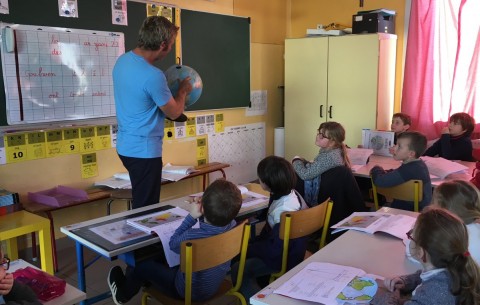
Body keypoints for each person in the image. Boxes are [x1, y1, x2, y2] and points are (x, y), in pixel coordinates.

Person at [107, 179, 242, 304]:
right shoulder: (232, 225)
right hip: (214, 285)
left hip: (186, 291)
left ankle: (123, 295)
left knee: (141, 265)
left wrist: (192, 217)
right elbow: (213, 223)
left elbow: (173, 244)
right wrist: (204, 212)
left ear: (203, 208)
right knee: (159, 260)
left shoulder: (192, 236)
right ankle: (146, 281)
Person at [113, 16, 193, 209]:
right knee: (146, 210)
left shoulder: (122, 61)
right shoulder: (153, 76)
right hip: (144, 152)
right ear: (163, 44)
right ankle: (145, 238)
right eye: (171, 45)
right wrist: (182, 91)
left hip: (125, 146)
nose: (171, 49)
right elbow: (174, 113)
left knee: (142, 202)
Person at [232, 156, 307, 300]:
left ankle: (257, 301)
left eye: (260, 179)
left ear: (267, 184)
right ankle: (263, 285)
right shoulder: (291, 194)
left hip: (284, 256)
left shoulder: (283, 213)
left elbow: (273, 250)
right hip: (292, 248)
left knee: (239, 268)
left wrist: (247, 248)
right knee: (247, 249)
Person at [372, 208, 480, 305]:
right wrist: (406, 281)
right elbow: (427, 276)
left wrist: (381, 293)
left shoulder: (434, 294)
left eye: (412, 235)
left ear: (421, 252)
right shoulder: (454, 265)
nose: (409, 238)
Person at [370, 131, 432, 211]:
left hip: (406, 212)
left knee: (371, 209)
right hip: (414, 211)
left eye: (399, 147)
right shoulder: (418, 165)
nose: (394, 148)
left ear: (411, 154)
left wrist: (376, 168)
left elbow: (379, 181)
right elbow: (398, 172)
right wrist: (387, 172)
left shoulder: (409, 169)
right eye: (396, 144)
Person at [292, 121, 350, 206]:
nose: (318, 137)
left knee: (289, 176)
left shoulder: (329, 157)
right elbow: (317, 165)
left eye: (322, 136)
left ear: (332, 142)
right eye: (318, 133)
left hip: (322, 194)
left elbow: (305, 175)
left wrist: (295, 160)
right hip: (326, 188)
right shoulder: (332, 151)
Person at [430, 180, 480, 264]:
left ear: (442, 209)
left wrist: (418, 229)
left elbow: (415, 254)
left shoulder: (443, 235)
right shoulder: (476, 229)